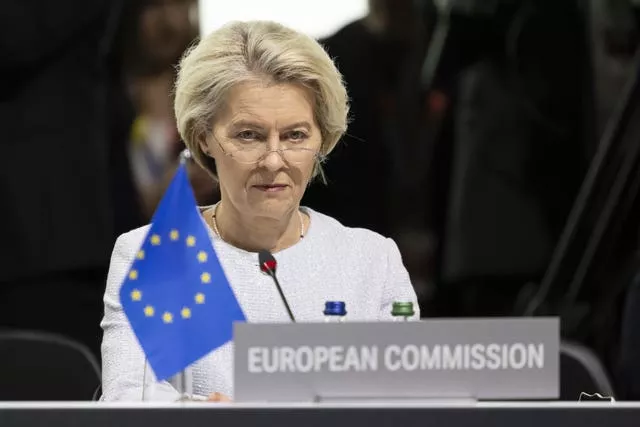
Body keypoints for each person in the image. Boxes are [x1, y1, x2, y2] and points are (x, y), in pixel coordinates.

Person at [100, 20, 419, 402]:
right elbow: (126, 401)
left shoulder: (373, 262)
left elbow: (403, 404)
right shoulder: (156, 254)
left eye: (295, 136)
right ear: (204, 136)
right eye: (248, 135)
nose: (273, 160)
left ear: (324, 138)